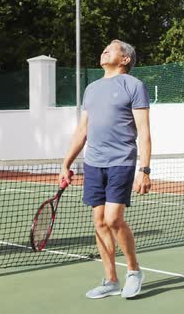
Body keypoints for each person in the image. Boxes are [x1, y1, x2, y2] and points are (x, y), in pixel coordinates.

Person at [59, 40, 152, 299]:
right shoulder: (91, 89)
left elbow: (143, 130)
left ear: (125, 60)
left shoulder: (134, 86)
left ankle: (134, 271)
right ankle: (110, 279)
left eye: (112, 48)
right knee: (99, 221)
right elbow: (82, 130)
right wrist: (66, 163)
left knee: (113, 220)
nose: (104, 50)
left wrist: (144, 170)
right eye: (104, 48)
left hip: (121, 161)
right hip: (93, 163)